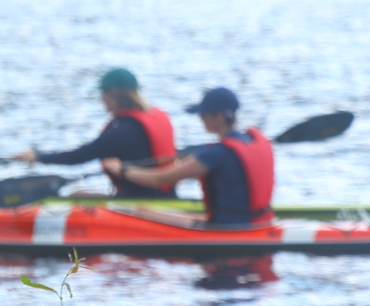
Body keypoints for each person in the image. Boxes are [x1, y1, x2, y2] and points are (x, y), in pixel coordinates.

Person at [101, 86, 274, 226]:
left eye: (203, 114)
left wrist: (121, 170)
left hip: (228, 228)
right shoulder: (250, 140)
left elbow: (159, 179)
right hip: (257, 222)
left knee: (141, 212)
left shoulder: (216, 154)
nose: (200, 119)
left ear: (219, 117)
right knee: (146, 211)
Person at [11, 67, 178, 197]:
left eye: (103, 94)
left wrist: (37, 157)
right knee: (79, 193)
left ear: (114, 96)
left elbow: (76, 157)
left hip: (140, 200)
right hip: (167, 195)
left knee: (74, 195)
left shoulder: (121, 132)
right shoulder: (157, 117)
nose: (101, 99)